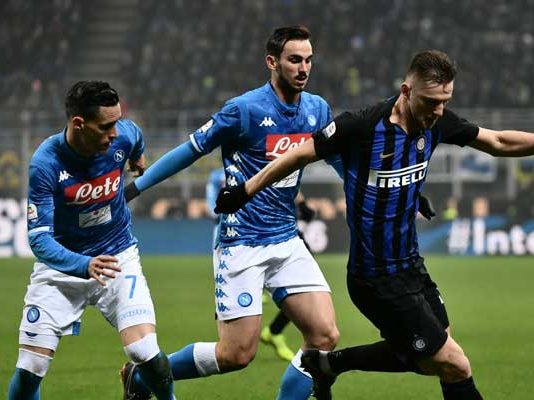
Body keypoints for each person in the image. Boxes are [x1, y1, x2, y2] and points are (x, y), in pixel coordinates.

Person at [215, 49, 534, 400]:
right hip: (375, 277)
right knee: (454, 363)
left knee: (433, 358)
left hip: (411, 267)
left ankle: (327, 364)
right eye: (431, 102)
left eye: (445, 101)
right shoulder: (362, 126)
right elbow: (300, 153)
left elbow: (498, 141)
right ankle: (330, 365)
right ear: (406, 91)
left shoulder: (438, 122)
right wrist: (246, 189)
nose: (439, 111)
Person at [122, 25, 340, 400]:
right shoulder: (244, 110)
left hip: (286, 240)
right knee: (236, 354)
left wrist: (386, 192)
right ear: (272, 62)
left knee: (324, 337)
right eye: (294, 60)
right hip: (242, 243)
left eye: (308, 60)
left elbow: (340, 162)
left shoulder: (317, 109)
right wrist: (134, 189)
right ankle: (142, 377)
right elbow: (189, 151)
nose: (303, 68)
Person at [7, 81, 175, 400]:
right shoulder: (46, 163)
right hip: (62, 267)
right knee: (31, 367)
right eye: (106, 126)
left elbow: (134, 135)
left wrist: (138, 158)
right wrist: (84, 265)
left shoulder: (123, 135)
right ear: (79, 124)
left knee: (144, 350)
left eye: (117, 122)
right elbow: (39, 241)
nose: (115, 133)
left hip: (117, 257)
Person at [206, 167, 296, 362]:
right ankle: (238, 309)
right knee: (236, 352)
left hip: (275, 226)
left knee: (321, 327)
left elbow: (285, 173)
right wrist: (214, 210)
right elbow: (210, 195)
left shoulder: (263, 161)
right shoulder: (221, 173)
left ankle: (273, 325)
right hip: (233, 228)